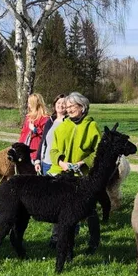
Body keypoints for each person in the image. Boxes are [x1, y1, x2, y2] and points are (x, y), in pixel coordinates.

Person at [47, 92, 100, 244]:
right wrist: (61, 162)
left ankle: (94, 241)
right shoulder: (62, 127)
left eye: (72, 106)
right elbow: (53, 150)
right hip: (62, 174)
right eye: (67, 106)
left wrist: (83, 162)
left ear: (82, 107)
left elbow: (98, 151)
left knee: (89, 208)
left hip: (82, 176)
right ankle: (57, 239)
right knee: (61, 208)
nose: (68, 109)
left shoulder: (92, 126)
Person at [19, 93, 51, 174]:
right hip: (25, 151)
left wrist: (35, 130)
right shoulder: (28, 117)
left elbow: (46, 135)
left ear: (34, 104)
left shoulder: (45, 118)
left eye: (29, 103)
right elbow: (23, 133)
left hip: (36, 152)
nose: (28, 105)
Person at [38, 93, 66, 174]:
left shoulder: (68, 123)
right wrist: (38, 160)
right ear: (55, 105)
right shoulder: (50, 121)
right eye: (58, 103)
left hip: (59, 165)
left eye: (63, 103)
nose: (61, 105)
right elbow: (43, 141)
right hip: (45, 163)